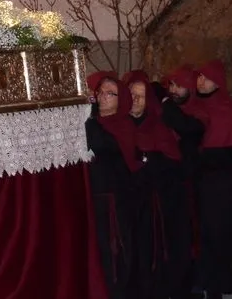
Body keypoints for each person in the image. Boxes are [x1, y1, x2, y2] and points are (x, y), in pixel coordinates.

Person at [187, 60, 232, 299]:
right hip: (196, 182)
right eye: (199, 77)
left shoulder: (230, 110)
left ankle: (216, 285)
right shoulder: (192, 106)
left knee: (221, 233)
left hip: (223, 185)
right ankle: (199, 282)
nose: (201, 82)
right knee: (198, 233)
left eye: (206, 77)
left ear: (218, 81)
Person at [122, 70, 192, 298]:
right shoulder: (118, 126)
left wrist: (149, 161)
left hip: (157, 205)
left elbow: (172, 162)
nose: (135, 100)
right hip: (127, 203)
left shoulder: (158, 127)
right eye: (131, 94)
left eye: (141, 96)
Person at [85, 71, 139, 299]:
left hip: (113, 203)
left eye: (110, 93)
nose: (102, 97)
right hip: (93, 198)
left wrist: (89, 114)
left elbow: (99, 143)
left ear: (121, 100)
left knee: (113, 253)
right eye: (100, 92)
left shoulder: (123, 125)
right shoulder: (94, 123)